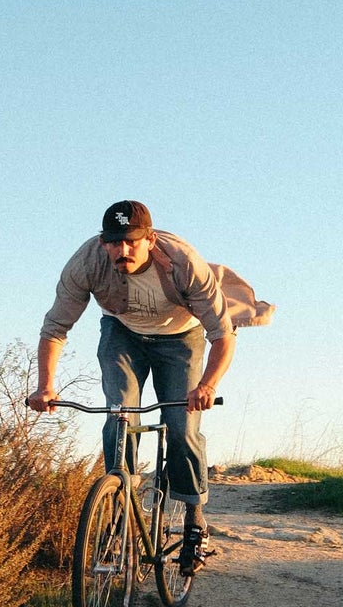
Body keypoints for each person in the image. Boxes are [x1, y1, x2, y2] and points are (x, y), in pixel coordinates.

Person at [26, 200, 272, 575]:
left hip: (181, 337)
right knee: (118, 416)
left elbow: (222, 335)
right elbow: (55, 328)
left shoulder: (184, 262)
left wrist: (207, 385)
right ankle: (120, 511)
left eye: (131, 242)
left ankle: (194, 521)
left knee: (182, 426)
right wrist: (45, 386)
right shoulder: (86, 263)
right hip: (122, 334)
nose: (122, 250)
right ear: (103, 242)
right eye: (114, 242)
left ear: (150, 240)